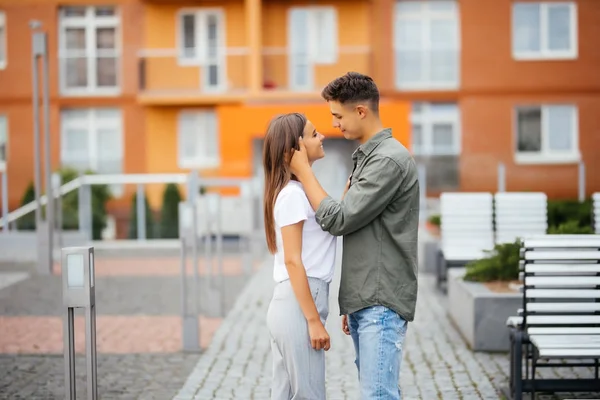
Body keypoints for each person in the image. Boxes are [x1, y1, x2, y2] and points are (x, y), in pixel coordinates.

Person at [289, 71, 420, 400]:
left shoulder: (388, 160)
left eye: (338, 116)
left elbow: (340, 219)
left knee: (378, 395)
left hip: (381, 301)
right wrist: (353, 302)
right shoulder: (370, 158)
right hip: (369, 299)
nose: (334, 125)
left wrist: (303, 171)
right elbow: (365, 233)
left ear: (361, 111)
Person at [263, 113, 340, 400]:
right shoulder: (292, 195)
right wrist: (313, 320)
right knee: (309, 395)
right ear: (291, 151)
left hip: (292, 305)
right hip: (298, 306)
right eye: (313, 134)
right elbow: (293, 260)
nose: (322, 137)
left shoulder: (297, 192)